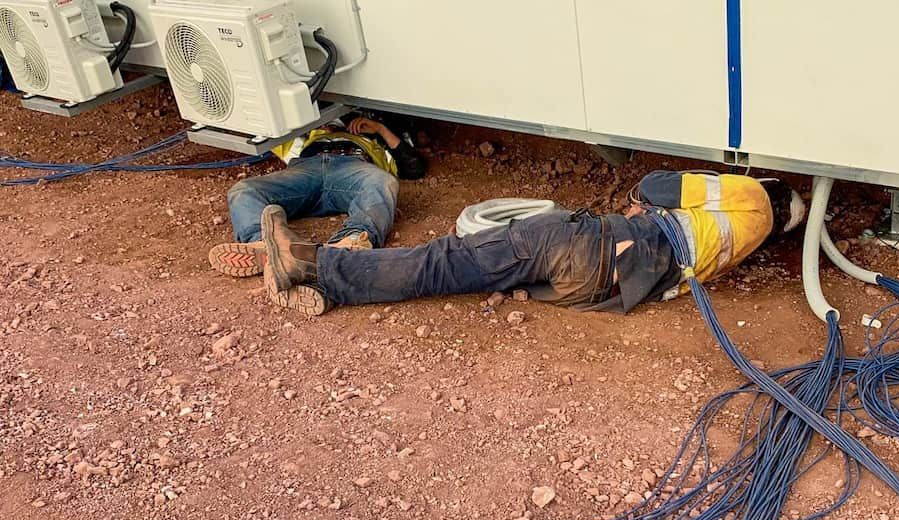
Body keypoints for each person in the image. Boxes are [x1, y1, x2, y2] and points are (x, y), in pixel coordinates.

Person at [256, 170, 805, 317]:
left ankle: (312, 267)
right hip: (601, 285)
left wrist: (646, 201)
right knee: (481, 269)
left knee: (448, 259)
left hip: (595, 247)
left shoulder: (749, 194)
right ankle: (331, 290)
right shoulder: (745, 245)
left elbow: (656, 187)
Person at [208, 114, 425, 305]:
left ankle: (352, 242)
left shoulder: (378, 141)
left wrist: (379, 129)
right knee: (244, 189)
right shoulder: (306, 137)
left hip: (353, 167)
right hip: (306, 167)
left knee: (383, 182)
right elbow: (265, 121)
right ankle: (265, 243)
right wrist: (315, 127)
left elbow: (414, 167)